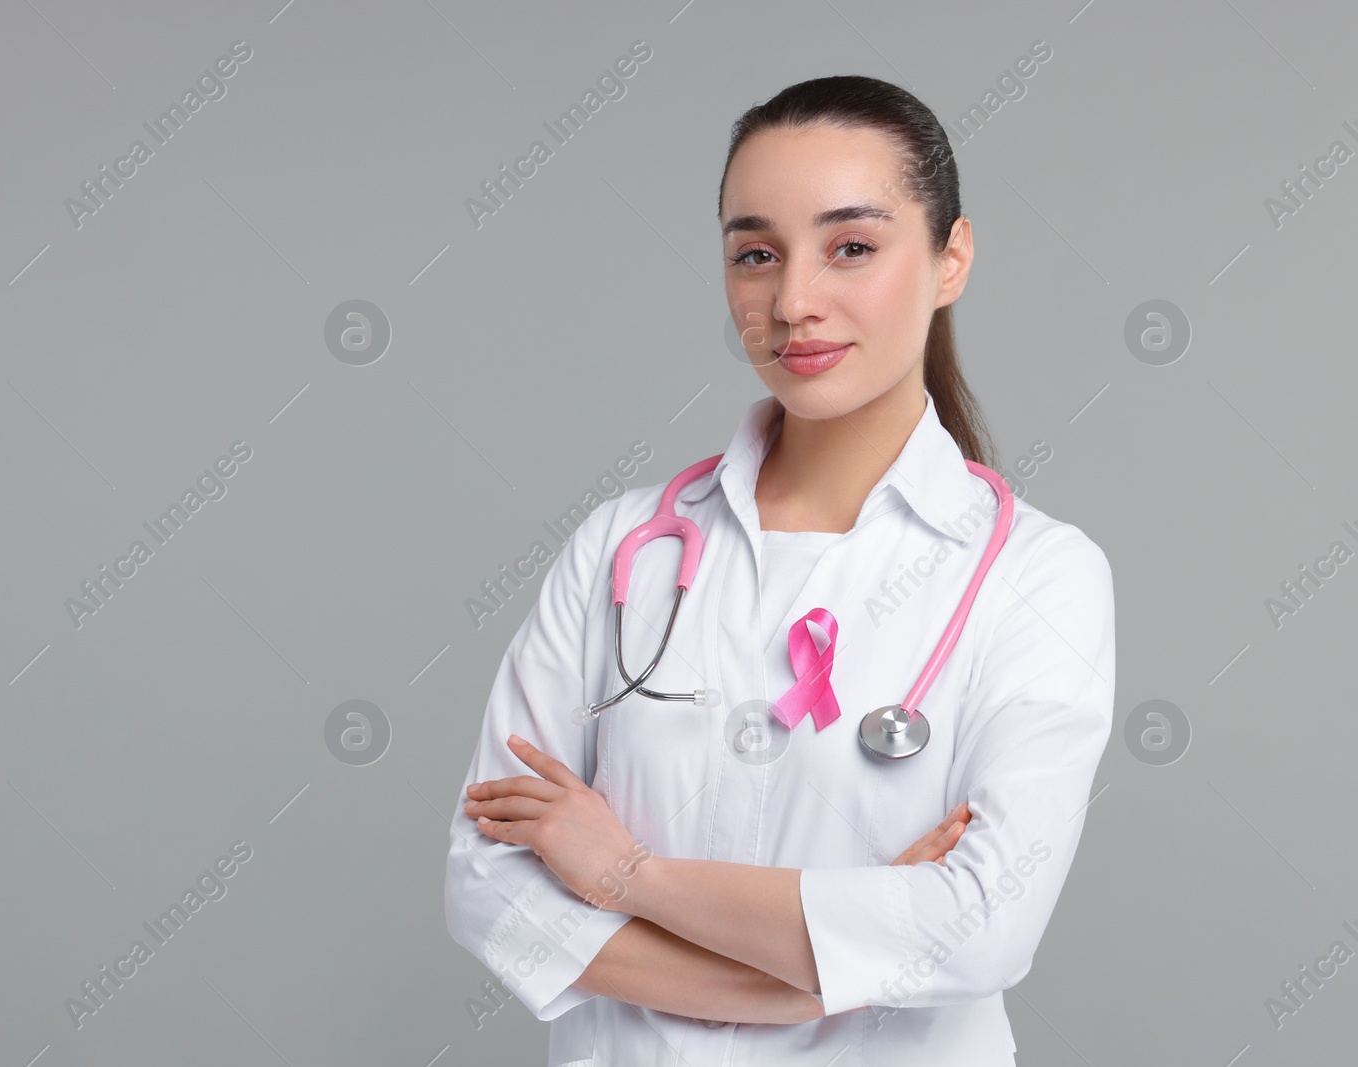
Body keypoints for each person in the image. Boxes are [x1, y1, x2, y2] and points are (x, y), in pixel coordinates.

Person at [443, 74, 1116, 1066]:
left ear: (949, 258)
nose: (793, 301)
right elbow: (485, 885)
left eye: (851, 246)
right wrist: (790, 991)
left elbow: (978, 925)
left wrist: (624, 872)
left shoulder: (1038, 574)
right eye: (755, 253)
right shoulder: (620, 548)